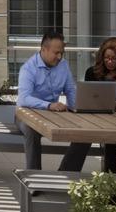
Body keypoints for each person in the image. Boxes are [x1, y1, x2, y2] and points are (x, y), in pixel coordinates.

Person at [58, 38, 116, 173]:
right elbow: (88, 99)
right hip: (100, 119)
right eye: (107, 58)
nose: (109, 62)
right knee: (85, 137)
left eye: (114, 59)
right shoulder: (92, 72)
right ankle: (71, 175)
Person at [16, 31, 78, 171]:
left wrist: (77, 110)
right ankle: (35, 178)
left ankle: (66, 173)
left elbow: (70, 90)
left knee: (84, 132)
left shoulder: (63, 65)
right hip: (26, 114)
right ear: (43, 49)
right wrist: (49, 105)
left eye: (61, 53)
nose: (59, 56)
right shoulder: (28, 68)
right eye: (56, 53)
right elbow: (24, 98)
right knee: (32, 130)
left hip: (54, 114)